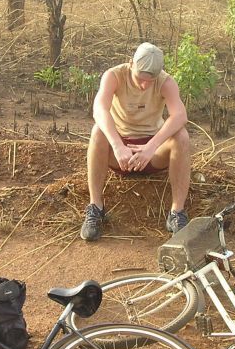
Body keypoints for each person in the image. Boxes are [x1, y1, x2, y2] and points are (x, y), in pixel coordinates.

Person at [80, 42, 192, 242]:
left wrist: (151, 147)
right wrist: (117, 144)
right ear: (131, 64)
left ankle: (177, 212)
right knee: (97, 132)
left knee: (182, 136)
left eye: (151, 81)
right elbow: (99, 109)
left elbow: (180, 115)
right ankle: (96, 208)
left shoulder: (166, 82)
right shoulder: (114, 76)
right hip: (119, 152)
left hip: (151, 154)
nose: (144, 85)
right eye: (140, 79)